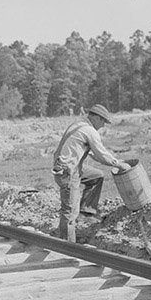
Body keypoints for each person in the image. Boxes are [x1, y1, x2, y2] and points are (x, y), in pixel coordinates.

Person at [51, 103, 128, 243]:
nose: (103, 125)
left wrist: (113, 160)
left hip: (70, 167)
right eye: (103, 121)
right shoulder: (89, 131)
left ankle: (86, 211)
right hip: (68, 172)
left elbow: (92, 152)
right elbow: (101, 154)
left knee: (96, 176)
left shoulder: (78, 125)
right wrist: (118, 164)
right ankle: (67, 246)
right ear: (96, 118)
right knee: (69, 212)